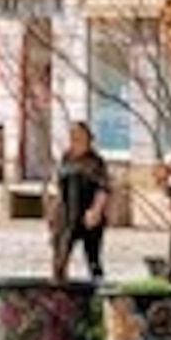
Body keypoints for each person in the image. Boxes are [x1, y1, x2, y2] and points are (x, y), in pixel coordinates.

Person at [48, 121, 110, 284]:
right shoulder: (66, 158)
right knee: (60, 256)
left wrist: (96, 211)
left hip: (87, 214)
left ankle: (97, 291)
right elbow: (58, 186)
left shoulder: (95, 161)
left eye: (80, 136)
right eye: (73, 136)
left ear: (88, 139)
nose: (75, 139)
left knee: (93, 258)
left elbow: (103, 188)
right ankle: (59, 294)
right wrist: (52, 210)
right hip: (66, 213)